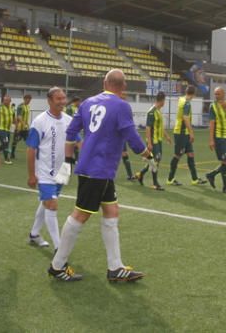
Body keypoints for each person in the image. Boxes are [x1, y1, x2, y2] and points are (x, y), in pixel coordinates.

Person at [47, 69, 150, 282]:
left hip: (93, 168)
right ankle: (57, 266)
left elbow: (71, 132)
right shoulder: (121, 106)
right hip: (98, 170)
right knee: (80, 215)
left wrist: (68, 160)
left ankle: (115, 267)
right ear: (123, 87)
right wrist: (145, 152)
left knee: (111, 211)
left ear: (105, 83)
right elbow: (131, 135)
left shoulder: (86, 103)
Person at [25, 87, 70, 249]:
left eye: (64, 98)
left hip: (63, 170)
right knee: (52, 204)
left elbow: (77, 141)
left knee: (47, 202)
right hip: (44, 171)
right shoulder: (39, 122)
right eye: (58, 99)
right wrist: (31, 175)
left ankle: (34, 234)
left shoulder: (69, 120)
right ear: (49, 101)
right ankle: (59, 247)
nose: (62, 102)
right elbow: (31, 149)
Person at [167, 85, 206, 186]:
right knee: (177, 155)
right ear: (194, 94)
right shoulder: (187, 103)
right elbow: (185, 118)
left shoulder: (182, 99)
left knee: (190, 154)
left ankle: (195, 179)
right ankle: (170, 179)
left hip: (184, 133)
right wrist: (191, 132)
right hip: (181, 133)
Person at [136, 91, 169, 191]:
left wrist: (166, 136)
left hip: (158, 141)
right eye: (165, 100)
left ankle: (140, 174)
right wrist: (149, 143)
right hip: (153, 142)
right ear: (162, 100)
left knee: (154, 161)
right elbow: (148, 128)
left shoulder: (158, 111)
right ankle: (155, 183)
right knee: (155, 161)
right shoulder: (152, 111)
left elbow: (159, 127)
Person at [0, 94, 15, 164]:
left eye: (7, 100)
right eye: (4, 100)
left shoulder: (12, 109)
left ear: (10, 101)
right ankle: (7, 159)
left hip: (8, 130)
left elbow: (14, 119)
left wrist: (15, 127)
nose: (5, 101)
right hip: (1, 129)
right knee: (5, 143)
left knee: (6, 144)